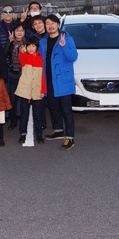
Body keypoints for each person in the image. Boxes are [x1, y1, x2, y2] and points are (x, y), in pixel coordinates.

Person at [40, 14, 78, 150]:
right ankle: (58, 130)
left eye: (53, 23)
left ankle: (70, 137)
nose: (50, 26)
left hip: (62, 80)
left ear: (58, 24)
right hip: (48, 79)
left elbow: (73, 57)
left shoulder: (66, 38)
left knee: (66, 109)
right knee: (53, 107)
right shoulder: (43, 41)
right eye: (47, 24)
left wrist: (63, 46)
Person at [14, 36, 46, 144]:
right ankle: (22, 134)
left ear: (37, 47)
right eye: (29, 46)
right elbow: (21, 58)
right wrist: (21, 51)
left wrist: (43, 90)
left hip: (37, 89)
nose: (31, 48)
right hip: (25, 90)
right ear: (26, 47)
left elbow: (43, 76)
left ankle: (39, 134)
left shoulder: (40, 58)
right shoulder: (25, 57)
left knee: (38, 114)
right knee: (24, 114)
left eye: (33, 46)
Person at [5, 22, 27, 130]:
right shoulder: (11, 43)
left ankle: (24, 121)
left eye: (21, 31)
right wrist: (9, 42)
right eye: (17, 30)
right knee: (12, 100)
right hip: (12, 74)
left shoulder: (27, 44)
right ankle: (13, 122)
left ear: (24, 32)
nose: (19, 33)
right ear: (14, 32)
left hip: (23, 75)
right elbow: (4, 54)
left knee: (23, 100)